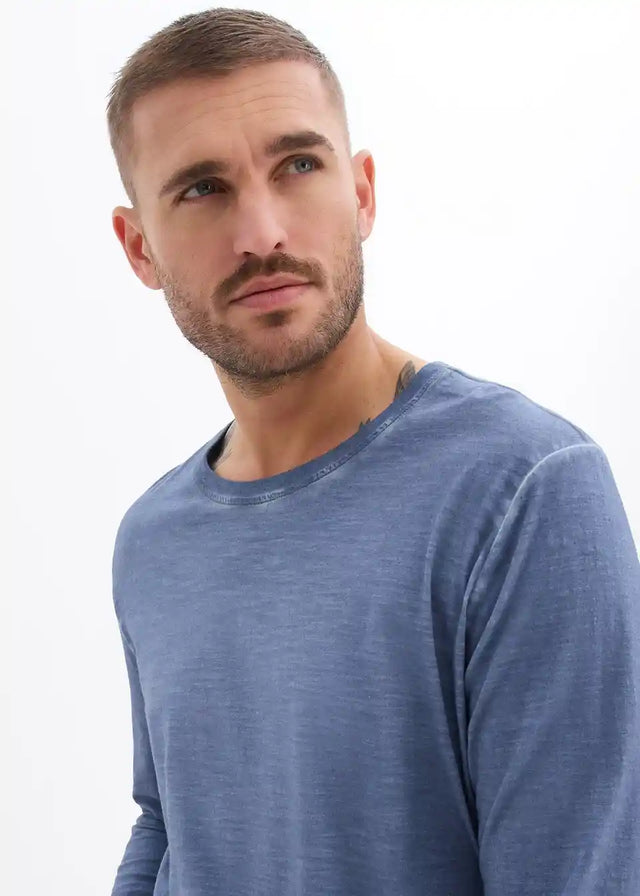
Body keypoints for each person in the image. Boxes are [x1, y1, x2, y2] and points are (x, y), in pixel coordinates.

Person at [107, 9, 640, 896]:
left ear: (362, 193)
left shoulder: (525, 494)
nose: (262, 232)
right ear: (139, 248)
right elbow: (168, 823)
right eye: (203, 188)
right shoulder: (152, 539)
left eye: (297, 165)